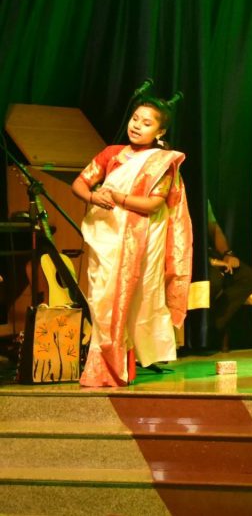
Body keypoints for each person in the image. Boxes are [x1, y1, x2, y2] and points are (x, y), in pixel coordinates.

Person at [71, 96, 192, 387]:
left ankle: (119, 367)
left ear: (160, 132)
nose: (137, 126)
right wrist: (93, 197)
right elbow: (80, 183)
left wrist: (117, 197)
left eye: (146, 123)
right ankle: (104, 364)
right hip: (107, 238)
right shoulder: (112, 153)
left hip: (140, 242)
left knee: (130, 302)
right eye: (135, 119)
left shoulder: (162, 162)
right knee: (102, 300)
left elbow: (153, 204)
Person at [206, 201, 252, 351]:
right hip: (190, 258)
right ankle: (205, 328)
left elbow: (214, 228)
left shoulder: (203, 200)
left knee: (250, 278)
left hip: (210, 254)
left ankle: (215, 324)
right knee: (214, 281)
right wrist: (211, 262)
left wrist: (227, 254)